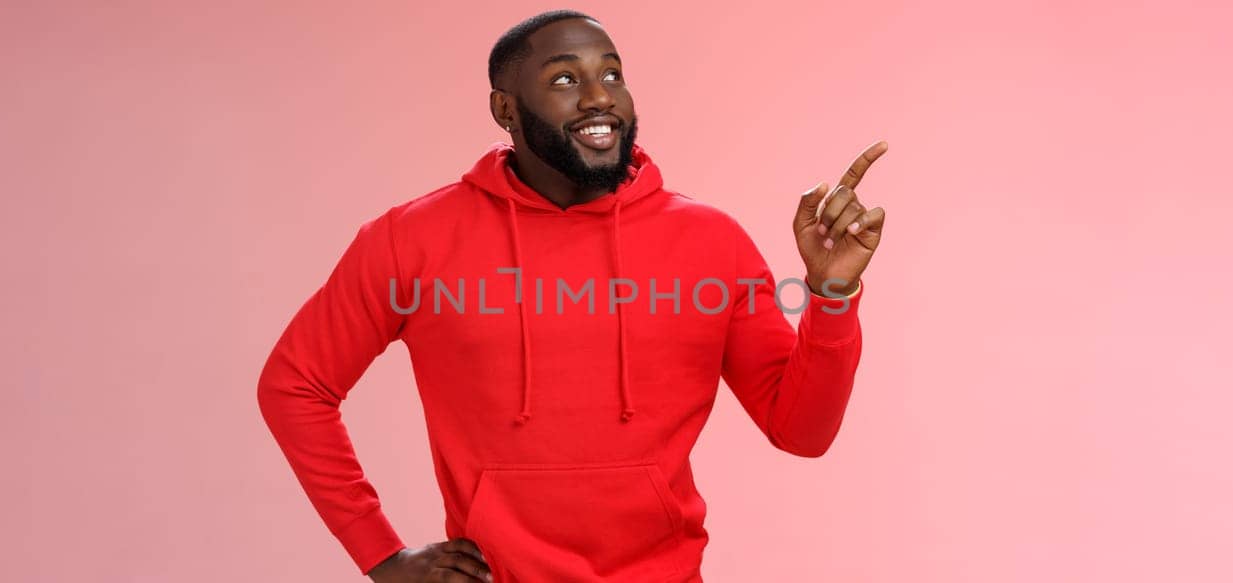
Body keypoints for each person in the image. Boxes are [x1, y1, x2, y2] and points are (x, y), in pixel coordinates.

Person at [257, 9, 889, 582]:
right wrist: (381, 555)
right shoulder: (410, 240)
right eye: (564, 80)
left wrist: (834, 292)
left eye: (612, 75)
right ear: (505, 110)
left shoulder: (712, 243)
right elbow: (295, 384)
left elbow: (802, 431)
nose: (598, 99)